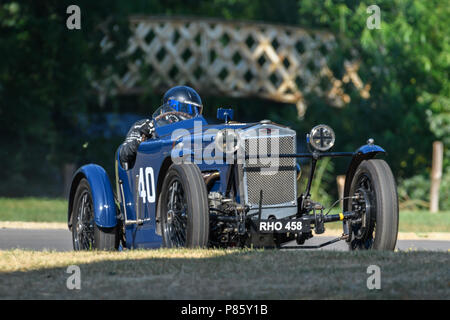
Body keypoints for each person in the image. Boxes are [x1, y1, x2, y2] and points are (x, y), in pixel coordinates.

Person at [119, 86, 203, 169]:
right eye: (189, 109)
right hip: (153, 171)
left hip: (190, 173)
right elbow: (124, 154)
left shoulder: (199, 132)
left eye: (197, 110)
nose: (193, 114)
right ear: (171, 107)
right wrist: (143, 138)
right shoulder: (145, 126)